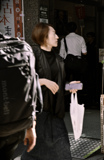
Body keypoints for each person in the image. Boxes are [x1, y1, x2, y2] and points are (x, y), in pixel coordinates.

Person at [21, 23, 79, 160]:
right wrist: (43, 81)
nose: (58, 37)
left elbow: (58, 85)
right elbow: (23, 82)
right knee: (35, 151)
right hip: (39, 113)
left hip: (55, 112)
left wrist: (70, 86)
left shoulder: (58, 59)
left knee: (62, 151)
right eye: (54, 33)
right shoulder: (32, 55)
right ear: (44, 36)